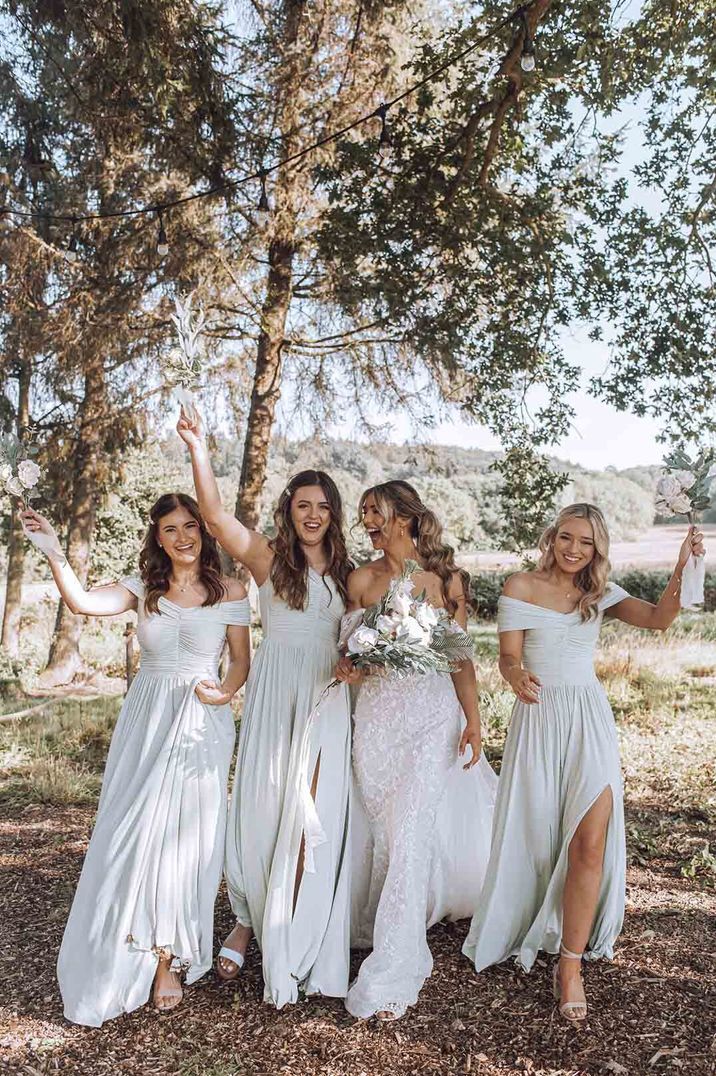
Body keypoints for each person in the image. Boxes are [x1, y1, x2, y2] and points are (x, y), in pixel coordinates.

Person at [462, 503, 705, 1022]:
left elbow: (660, 621)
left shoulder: (597, 595)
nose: (575, 550)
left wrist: (683, 565)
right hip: (541, 719)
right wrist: (513, 675)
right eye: (567, 538)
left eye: (587, 543)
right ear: (552, 538)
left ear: (598, 550)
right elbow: (507, 657)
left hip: (589, 720)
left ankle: (569, 964)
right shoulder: (520, 586)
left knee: (589, 841)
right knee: (540, 833)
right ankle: (531, 919)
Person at [21, 494, 251, 1025]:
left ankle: (166, 957)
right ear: (158, 538)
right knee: (130, 830)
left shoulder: (232, 592)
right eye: (170, 529)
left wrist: (224, 693)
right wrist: (54, 550)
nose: (183, 537)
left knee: (182, 838)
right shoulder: (141, 589)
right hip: (145, 720)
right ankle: (125, 942)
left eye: (191, 526)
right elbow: (80, 601)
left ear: (204, 531)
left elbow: (240, 662)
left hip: (200, 722)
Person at [177, 409, 353, 1007]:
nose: (312, 515)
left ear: (334, 515)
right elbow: (217, 520)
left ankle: (293, 926)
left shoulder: (351, 575)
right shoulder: (270, 560)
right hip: (277, 691)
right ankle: (247, 919)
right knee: (263, 805)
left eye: (322, 506)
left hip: (326, 701)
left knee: (312, 812)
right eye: (303, 505)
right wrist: (199, 447)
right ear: (289, 511)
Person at [335, 480, 496, 1022]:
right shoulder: (359, 579)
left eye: (375, 513)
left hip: (431, 717)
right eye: (363, 516)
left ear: (404, 516)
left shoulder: (446, 580)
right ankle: (391, 914)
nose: (368, 524)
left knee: (410, 833)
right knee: (386, 827)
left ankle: (394, 962)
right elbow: (349, 662)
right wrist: (350, 665)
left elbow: (461, 658)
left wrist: (473, 719)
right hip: (377, 720)